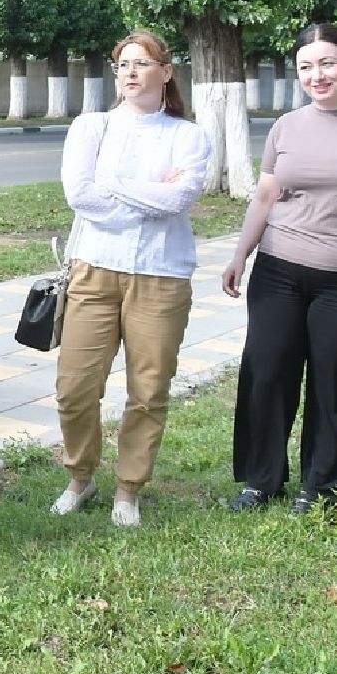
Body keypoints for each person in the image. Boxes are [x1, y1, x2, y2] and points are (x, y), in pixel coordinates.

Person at [222, 23, 337, 513]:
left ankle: (330, 489)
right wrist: (240, 253)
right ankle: (261, 479)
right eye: (306, 67)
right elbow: (266, 194)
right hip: (279, 267)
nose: (318, 75)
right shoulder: (286, 126)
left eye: (328, 63)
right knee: (267, 371)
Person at [50, 31, 211, 527]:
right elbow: (80, 195)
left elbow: (179, 200)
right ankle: (80, 475)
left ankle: (128, 488)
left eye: (143, 63)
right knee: (74, 386)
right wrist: (144, 197)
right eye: (123, 64)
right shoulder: (91, 126)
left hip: (161, 276)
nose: (131, 72)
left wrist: (113, 186)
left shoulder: (188, 135)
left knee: (148, 389)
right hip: (94, 268)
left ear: (166, 72)